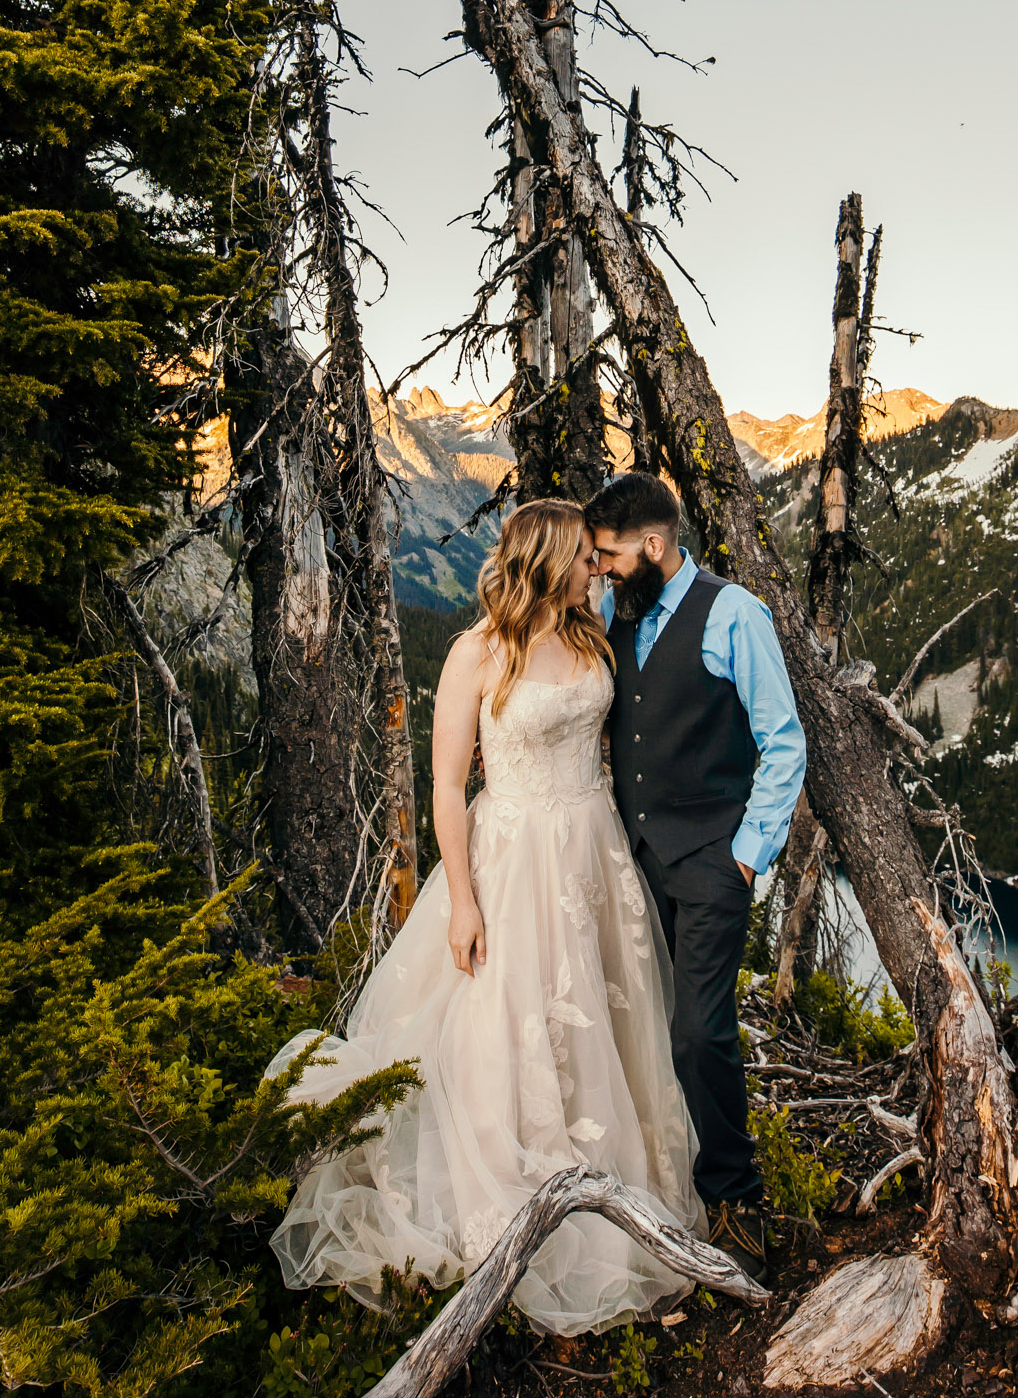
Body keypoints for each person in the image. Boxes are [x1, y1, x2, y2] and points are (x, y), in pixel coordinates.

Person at [263, 499, 706, 1334]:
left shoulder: (590, 634)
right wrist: (462, 899)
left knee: (603, 1020)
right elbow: (443, 785)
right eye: (584, 558)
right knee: (511, 1022)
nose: (598, 569)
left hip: (592, 849)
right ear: (548, 561)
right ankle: (518, 1185)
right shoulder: (477, 652)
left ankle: (612, 1179)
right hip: (512, 860)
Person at [583, 470, 807, 1283]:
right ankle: (666, 1174)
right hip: (636, 859)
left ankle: (737, 1198)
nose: (600, 569)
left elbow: (783, 741)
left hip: (713, 858)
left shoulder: (734, 615)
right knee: (640, 1021)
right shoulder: (616, 609)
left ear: (653, 544)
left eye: (609, 554)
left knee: (697, 1029)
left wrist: (746, 855)